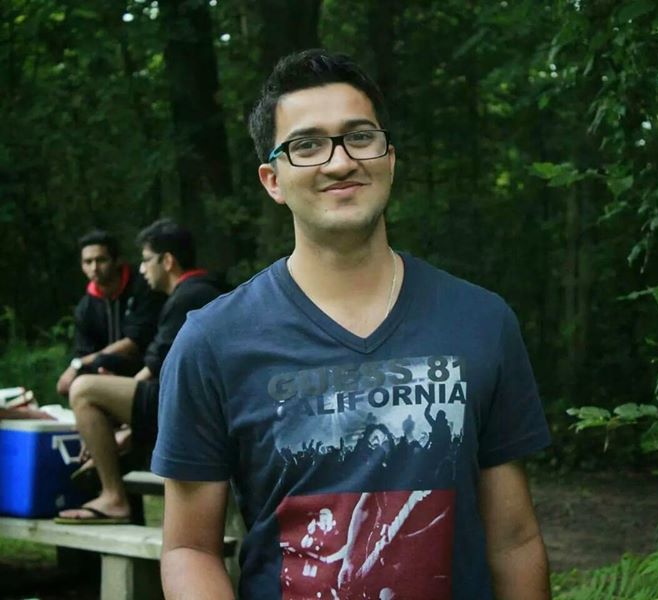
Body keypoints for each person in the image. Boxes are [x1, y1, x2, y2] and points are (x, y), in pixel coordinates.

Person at [152, 49, 551, 599]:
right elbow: (190, 549)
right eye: (307, 145)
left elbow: (514, 540)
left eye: (360, 137)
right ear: (272, 179)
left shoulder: (481, 322)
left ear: (390, 158)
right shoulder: (213, 342)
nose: (340, 162)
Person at [56, 219, 224, 524]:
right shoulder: (201, 290)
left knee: (84, 390)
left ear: (167, 261)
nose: (142, 269)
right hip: (197, 405)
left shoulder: (190, 296)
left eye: (147, 260)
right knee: (103, 396)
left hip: (194, 410)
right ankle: (113, 461)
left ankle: (113, 497)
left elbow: (158, 364)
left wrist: (120, 408)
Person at [56, 229, 165, 396]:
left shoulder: (144, 286)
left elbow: (135, 341)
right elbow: (84, 351)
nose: (94, 268)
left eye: (101, 260)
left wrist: (80, 363)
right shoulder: (85, 307)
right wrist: (79, 368)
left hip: (150, 370)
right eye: (88, 262)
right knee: (71, 383)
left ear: (117, 260)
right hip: (105, 370)